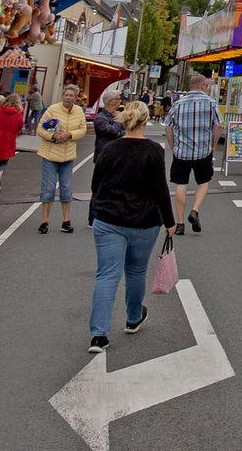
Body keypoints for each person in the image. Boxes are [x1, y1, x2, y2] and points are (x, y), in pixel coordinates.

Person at [84, 100, 174, 354]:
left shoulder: (110, 149)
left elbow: (96, 184)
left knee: (106, 275)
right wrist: (170, 221)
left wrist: (95, 212)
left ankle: (98, 335)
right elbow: (160, 190)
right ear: (146, 121)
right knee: (136, 271)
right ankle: (133, 317)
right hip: (144, 221)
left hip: (109, 219)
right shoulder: (154, 151)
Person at [165, 74, 222, 235]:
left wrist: (173, 146)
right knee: (203, 182)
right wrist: (213, 145)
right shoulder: (211, 103)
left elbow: (168, 127)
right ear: (203, 85)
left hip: (181, 152)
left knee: (181, 184)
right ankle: (195, 210)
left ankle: (180, 223)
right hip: (203, 152)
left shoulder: (178, 104)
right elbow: (218, 126)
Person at [37, 84, 89, 235]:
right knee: (48, 188)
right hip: (50, 154)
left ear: (76, 97)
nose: (69, 98)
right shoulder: (52, 109)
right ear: (62, 96)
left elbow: (83, 130)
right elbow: (40, 129)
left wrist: (70, 134)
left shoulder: (79, 111)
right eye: (66, 95)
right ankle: (44, 221)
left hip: (68, 155)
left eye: (72, 96)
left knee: (66, 189)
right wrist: (53, 136)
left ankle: (66, 221)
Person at [90, 85, 126, 157]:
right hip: (104, 155)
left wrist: (119, 132)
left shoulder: (116, 115)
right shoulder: (100, 118)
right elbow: (112, 131)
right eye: (118, 99)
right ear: (110, 101)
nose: (120, 101)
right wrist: (118, 120)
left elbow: (126, 131)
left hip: (117, 153)